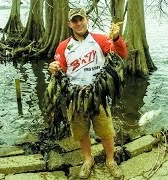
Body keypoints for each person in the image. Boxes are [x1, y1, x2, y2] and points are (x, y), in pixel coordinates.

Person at [48, 7, 127, 179]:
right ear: (70, 24)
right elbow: (59, 68)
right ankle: (88, 160)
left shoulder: (100, 39)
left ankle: (110, 160)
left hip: (98, 95)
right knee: (81, 132)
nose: (78, 23)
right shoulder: (63, 46)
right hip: (75, 98)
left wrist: (116, 38)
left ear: (87, 20)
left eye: (81, 19)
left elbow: (122, 54)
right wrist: (52, 68)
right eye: (74, 21)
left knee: (106, 131)